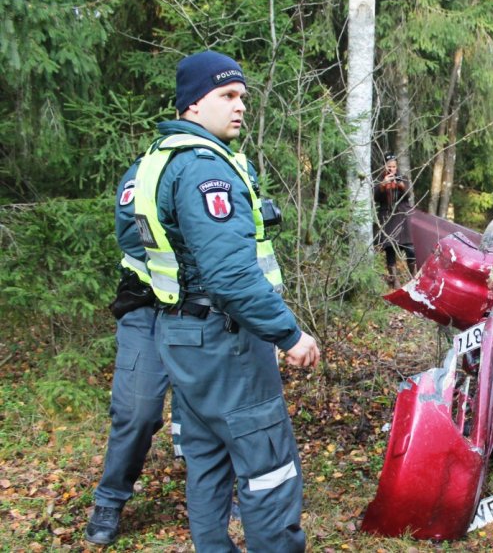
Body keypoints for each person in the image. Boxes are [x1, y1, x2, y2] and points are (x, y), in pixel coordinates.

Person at [132, 50, 319, 552]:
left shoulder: (156, 161)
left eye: (242, 97)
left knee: (207, 461)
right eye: (227, 96)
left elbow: (135, 246)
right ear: (194, 104)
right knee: (268, 468)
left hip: (181, 335)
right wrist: (289, 333)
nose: (240, 107)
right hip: (227, 342)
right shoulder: (202, 170)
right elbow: (232, 275)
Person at [84, 159, 183, 545]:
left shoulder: (223, 165)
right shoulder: (147, 170)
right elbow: (131, 235)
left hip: (203, 311)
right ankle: (109, 500)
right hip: (146, 307)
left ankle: (217, 494)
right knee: (137, 409)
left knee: (210, 407)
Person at [374, 152, 415, 286]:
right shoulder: (379, 180)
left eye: (394, 166)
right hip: (387, 216)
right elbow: (375, 197)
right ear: (384, 166)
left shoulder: (402, 178)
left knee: (410, 248)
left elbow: (408, 194)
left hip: (403, 215)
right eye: (389, 166)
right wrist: (382, 185)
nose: (392, 169)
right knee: (390, 248)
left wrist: (400, 185)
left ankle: (413, 278)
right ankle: (395, 280)